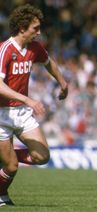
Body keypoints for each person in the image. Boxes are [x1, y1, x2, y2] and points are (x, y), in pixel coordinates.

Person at [0, 4, 68, 206]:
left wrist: (62, 82)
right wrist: (28, 99)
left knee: (42, 156)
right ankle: (1, 195)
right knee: (11, 167)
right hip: (1, 114)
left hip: (21, 113)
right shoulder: (5, 49)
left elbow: (50, 63)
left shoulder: (35, 48)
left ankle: (5, 158)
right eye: (35, 28)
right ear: (22, 28)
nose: (39, 32)